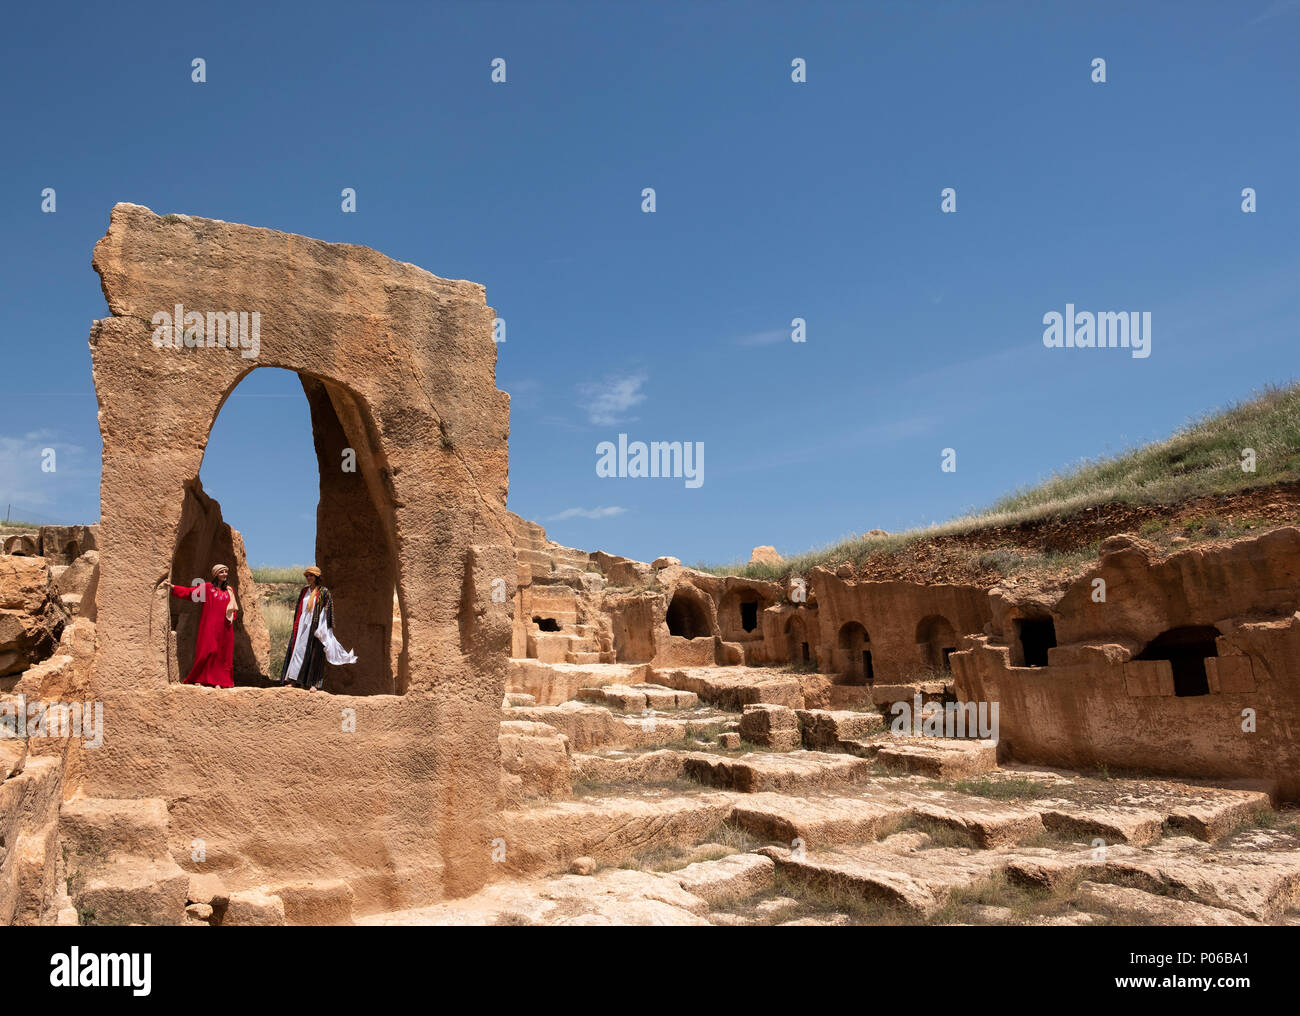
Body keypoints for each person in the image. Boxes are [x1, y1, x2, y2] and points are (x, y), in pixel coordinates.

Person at [280, 565, 357, 691]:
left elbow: (328, 610)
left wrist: (323, 627)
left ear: (317, 577)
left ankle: (314, 684)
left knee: (315, 654)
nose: (309, 578)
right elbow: (299, 609)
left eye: (311, 575)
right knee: (298, 652)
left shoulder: (324, 592)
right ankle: (294, 680)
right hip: (302, 627)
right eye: (307, 576)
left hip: (316, 627)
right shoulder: (304, 591)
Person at [170, 564, 239, 688]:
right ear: (216, 574)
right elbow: (190, 593)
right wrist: (173, 588)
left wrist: (232, 617)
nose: (225, 574)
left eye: (226, 572)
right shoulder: (207, 587)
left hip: (225, 627)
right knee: (207, 650)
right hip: (209, 624)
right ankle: (199, 678)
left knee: (222, 654)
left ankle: (219, 681)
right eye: (222, 572)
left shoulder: (229, 590)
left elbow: (233, 609)